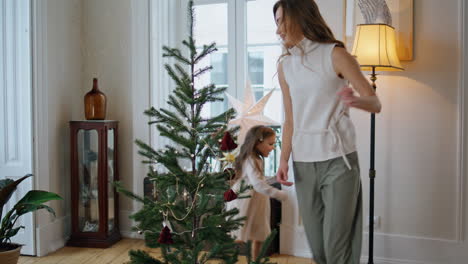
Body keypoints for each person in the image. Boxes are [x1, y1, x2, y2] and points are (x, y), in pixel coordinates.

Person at [273, 0, 382, 263]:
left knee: (337, 248)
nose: (278, 30)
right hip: (303, 163)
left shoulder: (335, 54)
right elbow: (290, 118)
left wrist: (354, 100)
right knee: (319, 250)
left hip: (338, 161)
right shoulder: (285, 65)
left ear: (299, 17)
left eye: (281, 21)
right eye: (275, 23)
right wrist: (284, 158)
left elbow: (375, 103)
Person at [227, 125, 288, 259]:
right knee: (240, 234)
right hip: (246, 198)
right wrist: (280, 195)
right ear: (258, 142)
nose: (273, 147)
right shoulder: (250, 159)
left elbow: (259, 180)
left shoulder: (257, 159)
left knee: (258, 234)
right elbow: (257, 184)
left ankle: (255, 260)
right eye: (270, 144)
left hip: (257, 200)